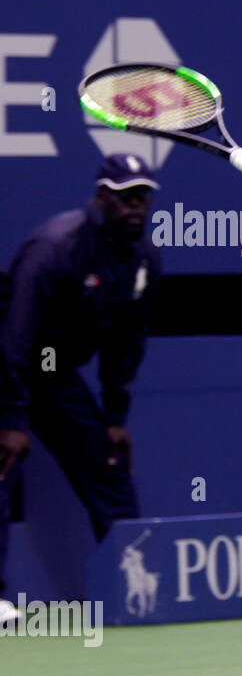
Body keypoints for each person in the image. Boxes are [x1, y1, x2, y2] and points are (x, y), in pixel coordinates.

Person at [0, 154, 161, 624]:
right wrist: (11, 419)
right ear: (102, 197)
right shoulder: (56, 247)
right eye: (125, 197)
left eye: (143, 198)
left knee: (108, 466)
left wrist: (114, 417)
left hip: (55, 375)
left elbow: (126, 343)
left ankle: (135, 587)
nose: (135, 207)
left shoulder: (144, 258)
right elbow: (14, 336)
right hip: (7, 364)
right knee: (2, 468)